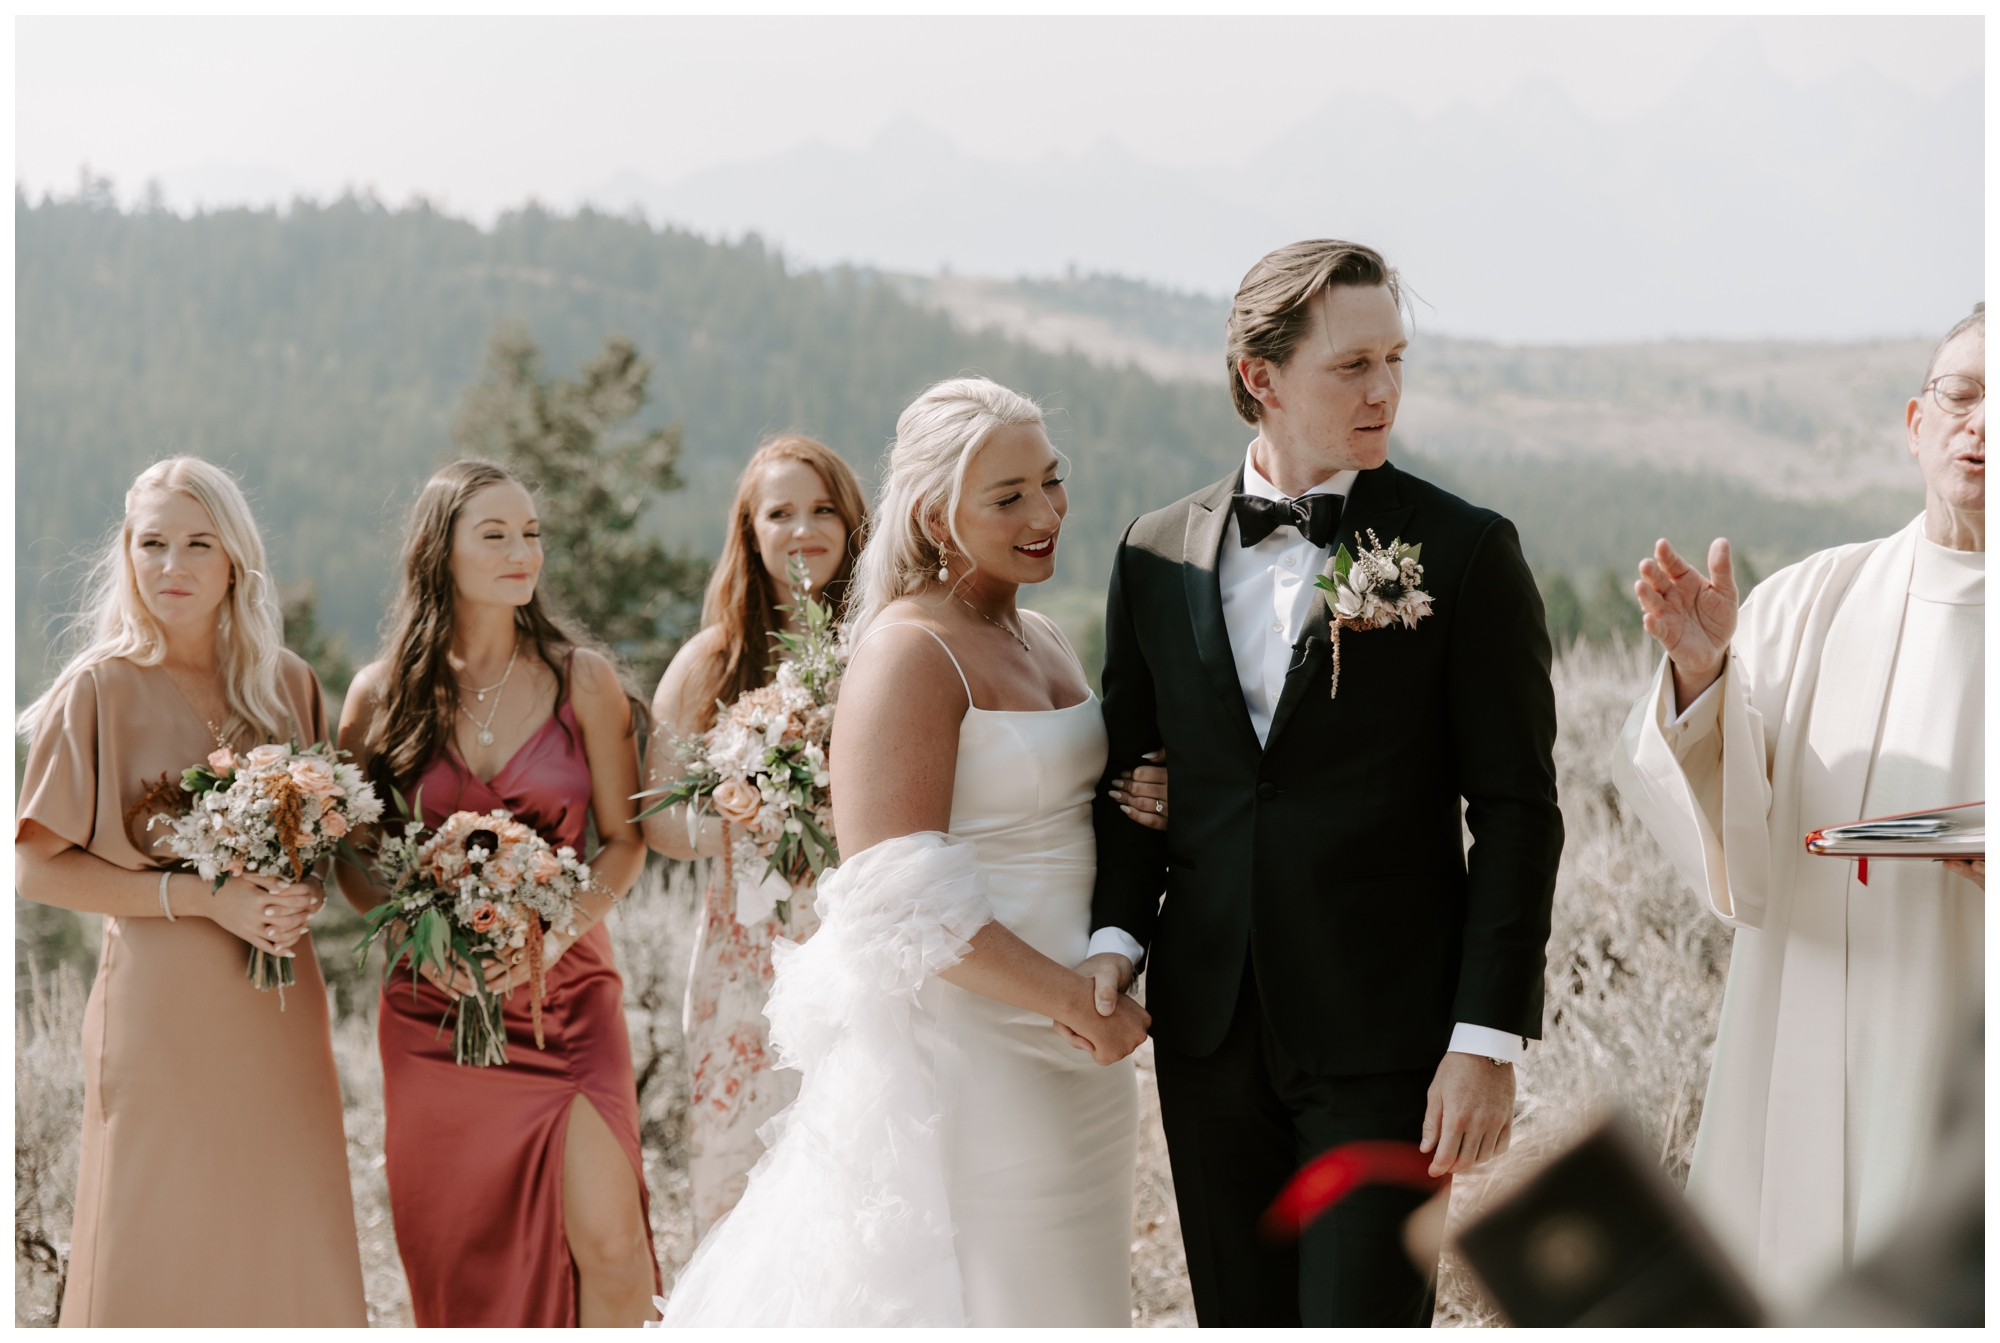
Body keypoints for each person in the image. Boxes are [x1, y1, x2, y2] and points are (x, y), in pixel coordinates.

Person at [1086, 239, 1565, 1326]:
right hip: (1207, 1032)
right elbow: (1129, 778)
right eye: (1352, 364)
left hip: (1388, 1042)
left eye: (1394, 357)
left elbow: (1517, 816)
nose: (1384, 388)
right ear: (1261, 377)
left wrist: (1482, 1040)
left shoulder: (1466, 550)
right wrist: (1113, 942)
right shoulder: (1152, 552)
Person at [658, 377, 1165, 1326]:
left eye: (1052, 483)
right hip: (984, 1047)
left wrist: (1142, 804)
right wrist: (1072, 1002)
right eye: (1008, 498)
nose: (1045, 513)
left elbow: (1062, 808)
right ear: (936, 515)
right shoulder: (910, 651)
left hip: (1087, 1036)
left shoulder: (1043, 632)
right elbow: (892, 901)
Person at [1612, 303, 1984, 1311]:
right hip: (1811, 999)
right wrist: (1700, 672)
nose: (1978, 427)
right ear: (1914, 420)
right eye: (1960, 395)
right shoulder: (1813, 597)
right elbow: (1728, 813)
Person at [15, 456, 367, 1327]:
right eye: (152, 544)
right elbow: (33, 867)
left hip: (280, 1011)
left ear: (235, 560)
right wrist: (204, 900)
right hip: (160, 1017)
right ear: (127, 557)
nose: (172, 566)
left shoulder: (288, 684)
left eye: (197, 544)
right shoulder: (95, 690)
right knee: (157, 1232)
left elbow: (316, 841)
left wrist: (299, 894)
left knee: (285, 1227)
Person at [335, 459, 659, 1326]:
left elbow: (624, 843)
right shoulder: (382, 695)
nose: (524, 552)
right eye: (496, 534)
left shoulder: (581, 680)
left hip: (568, 994)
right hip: (433, 1008)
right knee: (458, 1253)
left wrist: (556, 933)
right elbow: (351, 858)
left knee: (615, 1247)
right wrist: (414, 935)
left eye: (532, 533)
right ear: (439, 552)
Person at [640, 434, 868, 1235]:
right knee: (746, 1187)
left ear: (852, 522)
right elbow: (661, 817)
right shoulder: (712, 659)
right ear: (750, 528)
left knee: (856, 1175)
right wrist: (760, 810)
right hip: (747, 956)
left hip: (858, 939)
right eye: (781, 513)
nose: (803, 529)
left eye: (821, 509)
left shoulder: (883, 641)